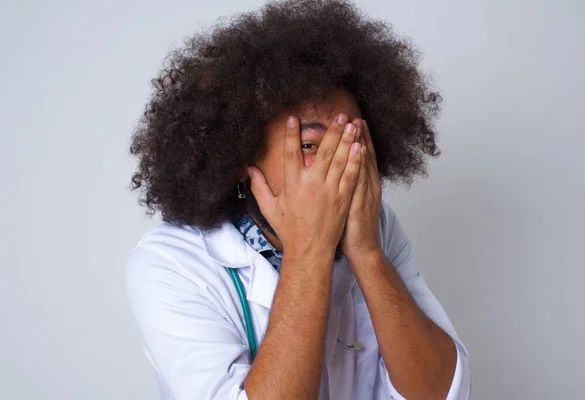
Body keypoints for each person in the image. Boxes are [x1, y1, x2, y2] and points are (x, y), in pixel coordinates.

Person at [126, 0, 470, 398]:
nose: (341, 163)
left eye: (352, 142)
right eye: (311, 144)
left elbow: (442, 394)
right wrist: (309, 251)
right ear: (242, 156)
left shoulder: (377, 227)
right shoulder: (171, 263)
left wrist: (367, 252)